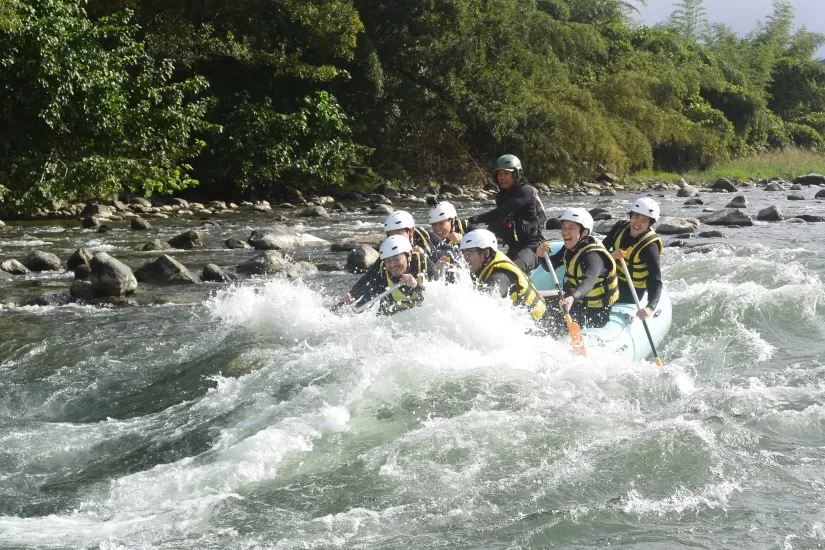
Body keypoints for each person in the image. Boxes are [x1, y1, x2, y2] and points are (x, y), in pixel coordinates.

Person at [538, 208, 618, 331]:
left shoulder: (594, 256)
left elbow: (589, 282)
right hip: (576, 303)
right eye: (563, 227)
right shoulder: (570, 248)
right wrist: (542, 256)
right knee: (538, 306)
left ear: (584, 232)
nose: (565, 232)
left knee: (552, 320)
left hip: (596, 313)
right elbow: (550, 267)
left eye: (571, 227)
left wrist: (572, 297)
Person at [467, 154, 545, 273]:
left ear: (516, 174)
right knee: (489, 269)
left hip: (533, 246)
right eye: (499, 174)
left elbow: (501, 212)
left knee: (512, 270)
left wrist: (473, 219)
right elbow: (498, 221)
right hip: (514, 247)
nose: (502, 177)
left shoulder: (526, 191)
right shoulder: (501, 197)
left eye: (506, 173)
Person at [460, 229, 546, 322]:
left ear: (486, 253)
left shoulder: (500, 276)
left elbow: (485, 307)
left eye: (469, 252)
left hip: (538, 325)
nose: (465, 258)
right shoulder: (484, 265)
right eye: (464, 253)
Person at [602, 197, 664, 320]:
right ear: (630, 216)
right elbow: (599, 253)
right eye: (635, 216)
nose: (637, 223)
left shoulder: (650, 247)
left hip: (631, 291)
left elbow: (656, 280)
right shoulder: (619, 227)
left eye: (644, 220)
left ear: (649, 223)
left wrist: (650, 307)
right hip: (611, 280)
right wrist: (611, 256)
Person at [341, 235, 434, 315]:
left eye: (396, 258)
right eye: (388, 260)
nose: (392, 264)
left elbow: (439, 295)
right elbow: (370, 291)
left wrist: (416, 285)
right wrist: (354, 302)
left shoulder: (423, 262)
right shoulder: (384, 272)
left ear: (409, 255)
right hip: (397, 317)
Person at [428, 199, 474, 281]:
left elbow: (486, 244)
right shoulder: (432, 238)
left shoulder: (467, 227)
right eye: (434, 225)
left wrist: (464, 239)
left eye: (441, 223)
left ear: (452, 220)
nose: (437, 228)